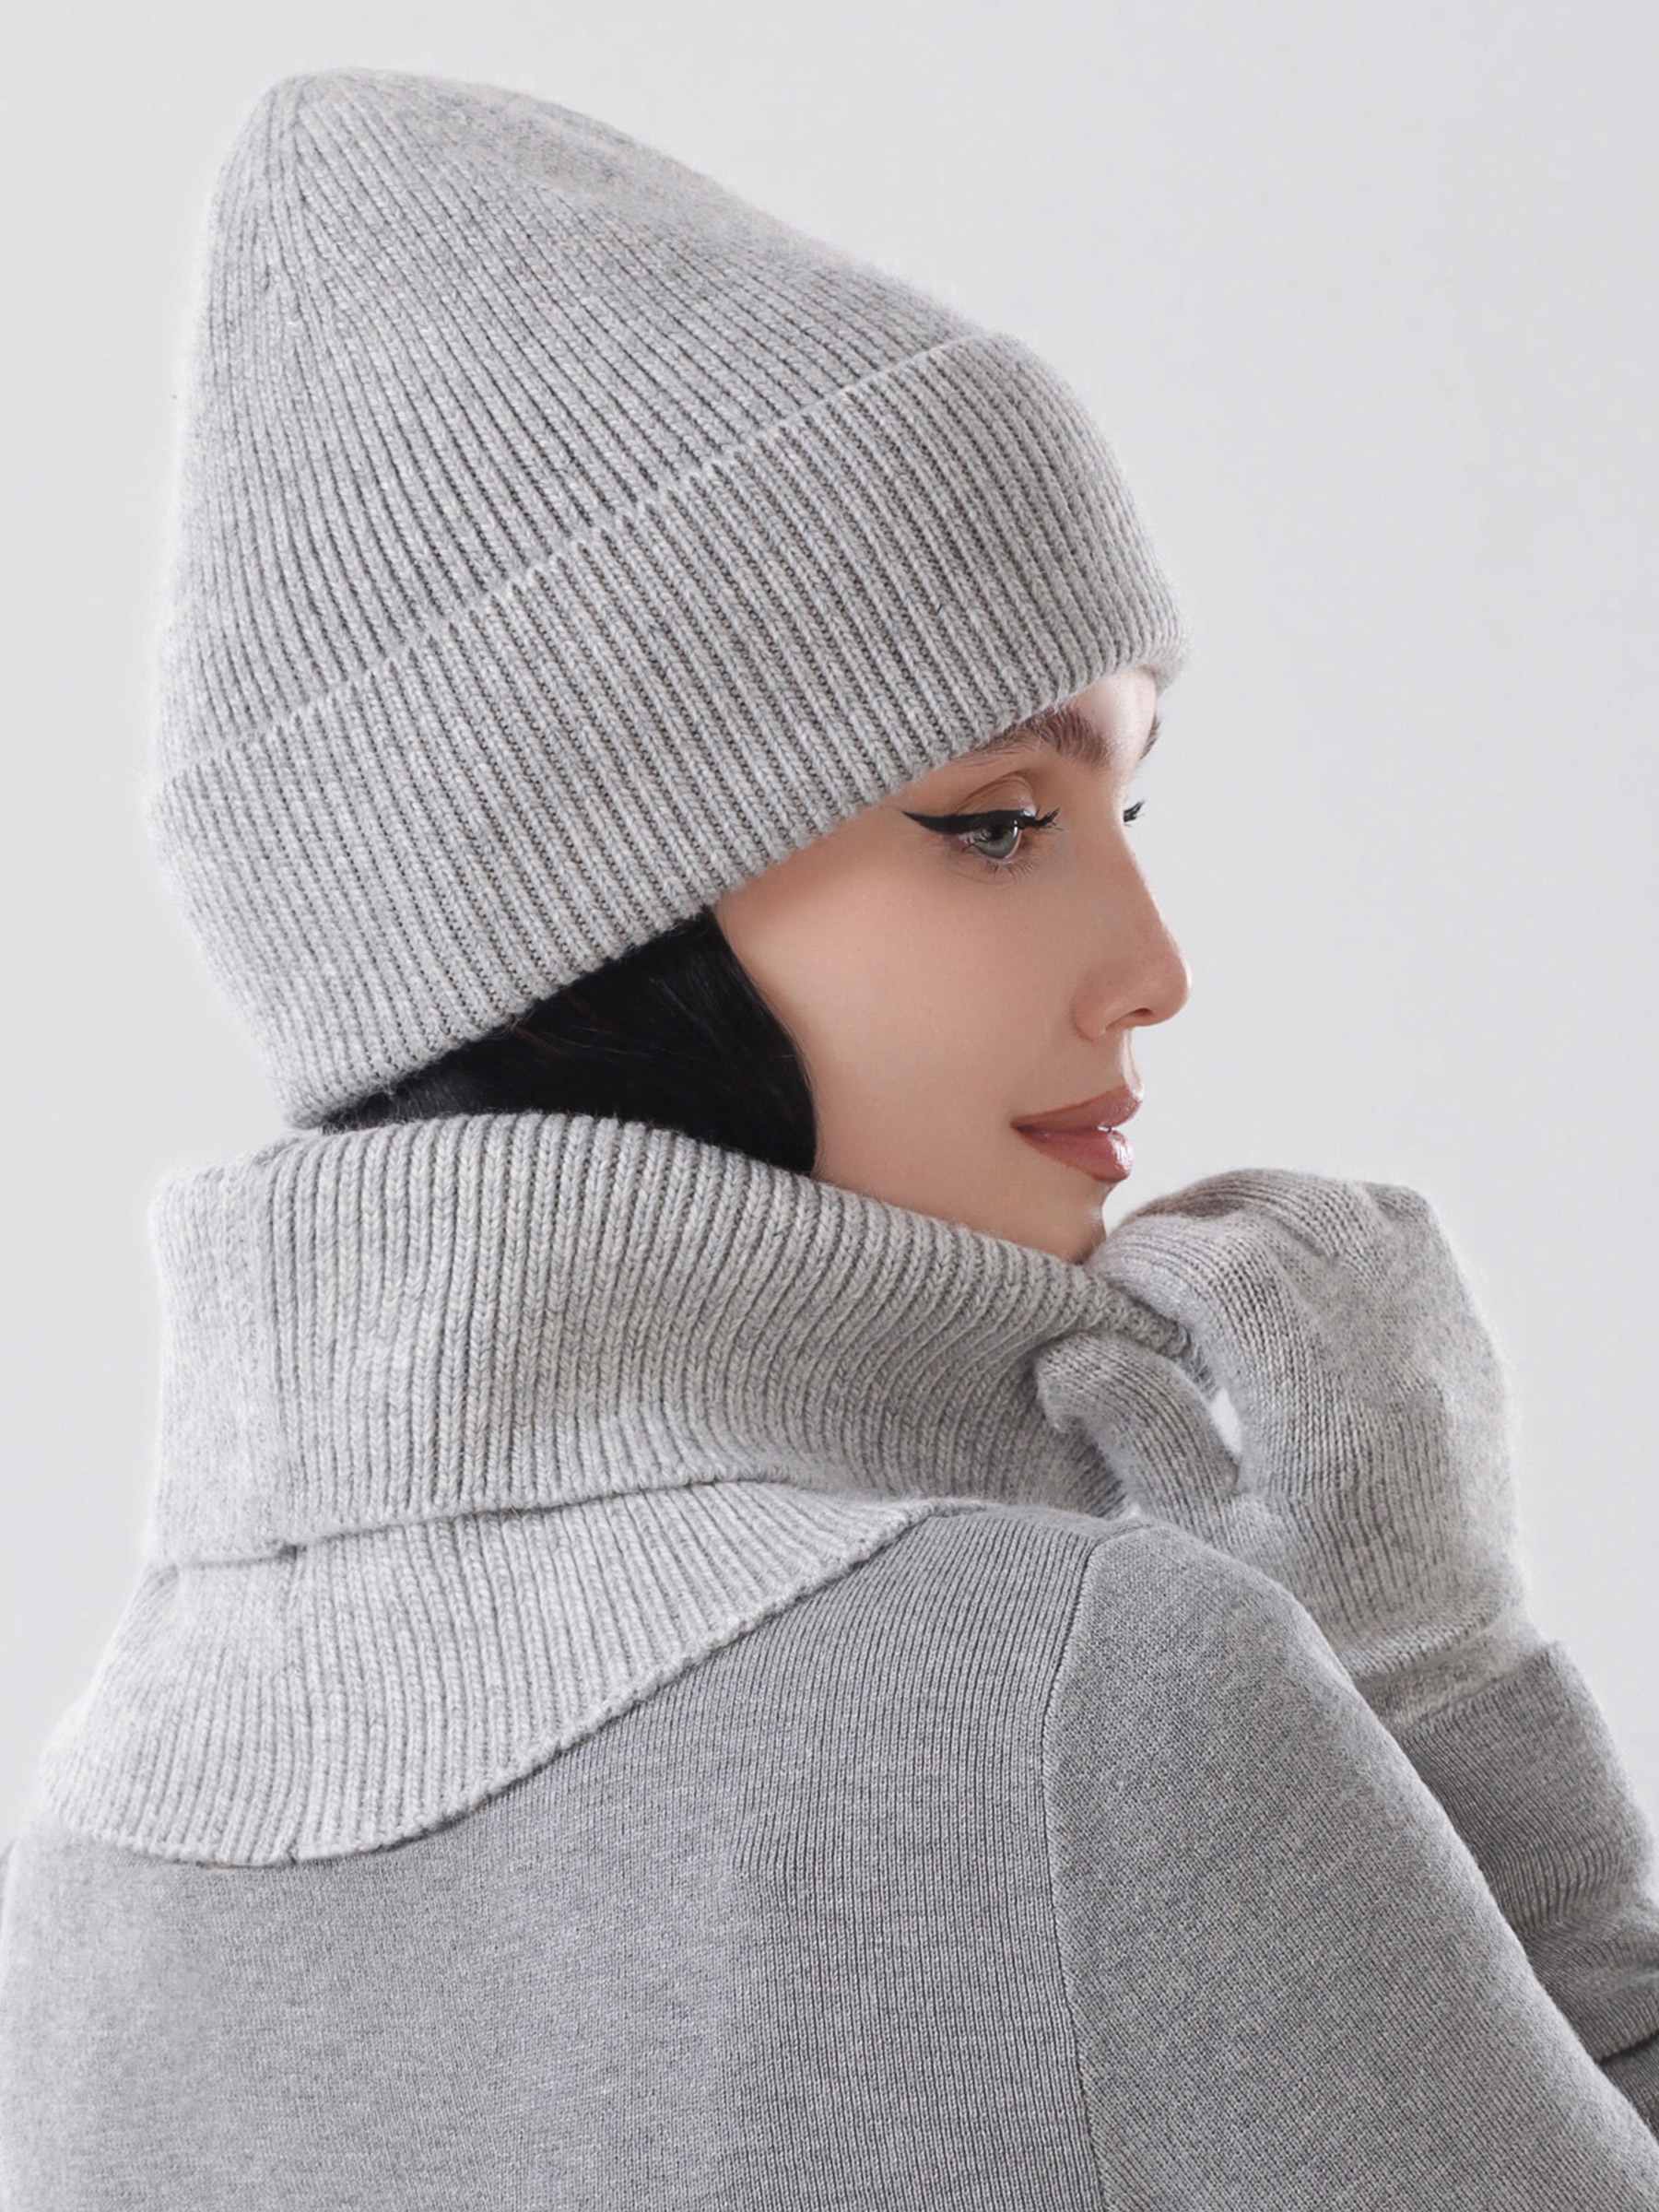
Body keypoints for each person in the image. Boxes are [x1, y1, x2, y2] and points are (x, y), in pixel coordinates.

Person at [0, 65, 1654, 2209]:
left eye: (1126, 808)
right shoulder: (1086, 1700)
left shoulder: (108, 1826)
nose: (1151, 966)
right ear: (582, 904)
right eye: (995, 824)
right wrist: (1444, 1686)